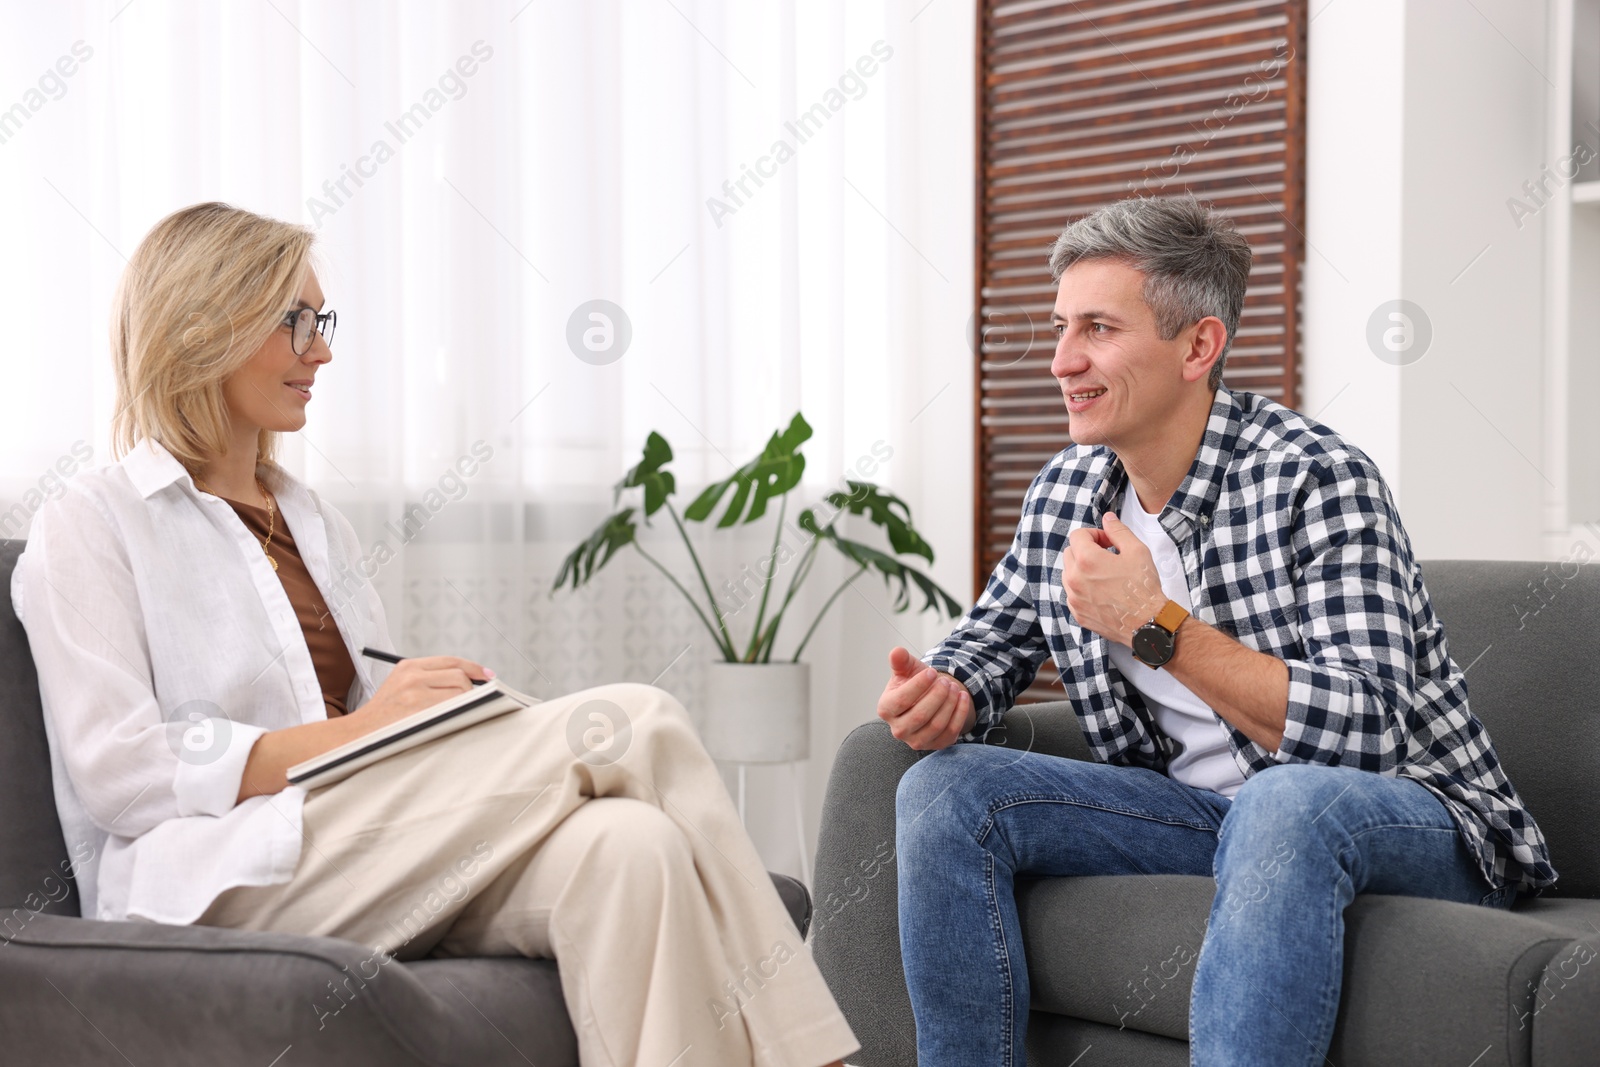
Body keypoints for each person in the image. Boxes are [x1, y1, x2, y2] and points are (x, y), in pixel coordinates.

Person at [12, 202, 858, 1067]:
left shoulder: (315, 523)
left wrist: (431, 712)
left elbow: (360, 719)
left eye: (322, 321)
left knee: (631, 849)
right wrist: (359, 731)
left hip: (351, 845)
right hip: (215, 877)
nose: (323, 350)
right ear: (200, 326)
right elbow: (118, 771)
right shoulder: (91, 523)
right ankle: (817, 1057)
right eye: (295, 321)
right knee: (633, 721)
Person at [875, 194, 1555, 1066]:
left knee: (1283, 799)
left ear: (1198, 345)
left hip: (1413, 815)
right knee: (947, 790)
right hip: (1208, 813)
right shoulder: (1067, 492)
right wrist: (948, 688)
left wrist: (1155, 624)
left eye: (1097, 329)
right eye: (1059, 328)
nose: (1061, 360)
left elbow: (1364, 730)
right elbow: (994, 638)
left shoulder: (1317, 477)